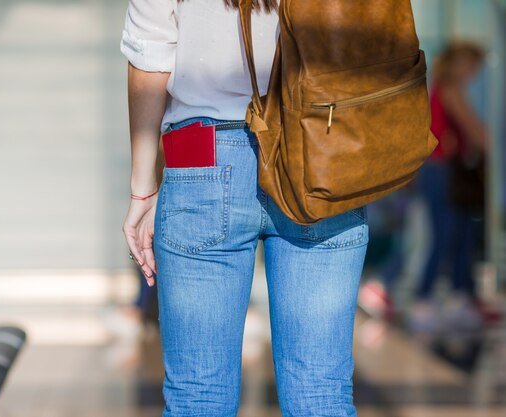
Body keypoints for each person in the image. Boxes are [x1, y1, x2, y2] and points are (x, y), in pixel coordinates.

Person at [120, 1, 369, 415]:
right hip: (321, 155)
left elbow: (150, 57)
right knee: (320, 393)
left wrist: (142, 189)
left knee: (197, 394)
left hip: (204, 155)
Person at [411, 42, 489, 333]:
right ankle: (425, 297)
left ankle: (456, 295)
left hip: (442, 171)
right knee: (445, 234)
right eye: (472, 66)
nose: (475, 73)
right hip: (440, 171)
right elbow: (476, 131)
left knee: (459, 233)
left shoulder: (444, 88)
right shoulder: (450, 89)